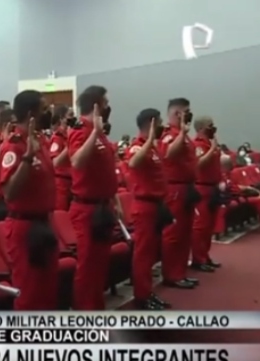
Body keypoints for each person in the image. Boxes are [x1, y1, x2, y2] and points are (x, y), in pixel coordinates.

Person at [0, 90, 57, 361]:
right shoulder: (15, 145)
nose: (50, 113)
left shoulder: (40, 140)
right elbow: (9, 192)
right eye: (45, 109)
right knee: (30, 295)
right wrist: (28, 157)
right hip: (23, 226)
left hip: (44, 223)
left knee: (46, 293)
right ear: (32, 113)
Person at [68, 86, 118, 310]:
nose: (109, 108)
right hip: (86, 209)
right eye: (105, 104)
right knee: (88, 266)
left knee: (100, 264)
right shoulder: (81, 130)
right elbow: (77, 161)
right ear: (96, 106)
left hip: (103, 206)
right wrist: (95, 133)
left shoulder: (99, 132)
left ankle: (96, 308)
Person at [126, 109, 173, 310]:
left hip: (157, 205)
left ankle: (148, 292)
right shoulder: (137, 146)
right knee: (143, 255)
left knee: (152, 253)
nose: (163, 126)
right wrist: (150, 140)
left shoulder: (153, 148)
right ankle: (141, 297)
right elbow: (133, 163)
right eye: (160, 122)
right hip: (144, 206)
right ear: (151, 124)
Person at [158, 98, 200, 289]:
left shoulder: (185, 135)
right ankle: (171, 274)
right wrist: (182, 133)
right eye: (186, 112)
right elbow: (168, 153)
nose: (189, 115)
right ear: (177, 114)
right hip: (175, 189)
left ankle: (180, 272)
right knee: (174, 234)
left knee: (185, 232)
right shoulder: (169, 134)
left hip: (188, 187)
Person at [191, 116, 222, 271]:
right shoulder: (197, 144)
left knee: (209, 226)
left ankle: (205, 255)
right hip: (202, 188)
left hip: (213, 187)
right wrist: (211, 150)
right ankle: (198, 259)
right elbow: (199, 163)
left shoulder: (210, 143)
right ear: (202, 128)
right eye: (210, 125)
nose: (213, 128)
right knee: (201, 226)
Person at [49, 105, 75, 211]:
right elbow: (55, 162)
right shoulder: (57, 138)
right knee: (61, 212)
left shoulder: (73, 135)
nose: (72, 118)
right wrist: (69, 146)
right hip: (61, 183)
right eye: (70, 115)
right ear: (62, 118)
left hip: (73, 181)